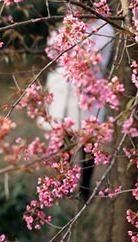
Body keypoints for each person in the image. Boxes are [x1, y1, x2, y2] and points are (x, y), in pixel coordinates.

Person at [44, 17, 114, 201]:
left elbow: (90, 57)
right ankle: (61, 184)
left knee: (87, 142)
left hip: (88, 90)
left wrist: (71, 36)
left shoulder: (103, 28)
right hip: (63, 87)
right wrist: (68, 30)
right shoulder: (67, 22)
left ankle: (84, 188)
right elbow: (52, 47)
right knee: (62, 138)